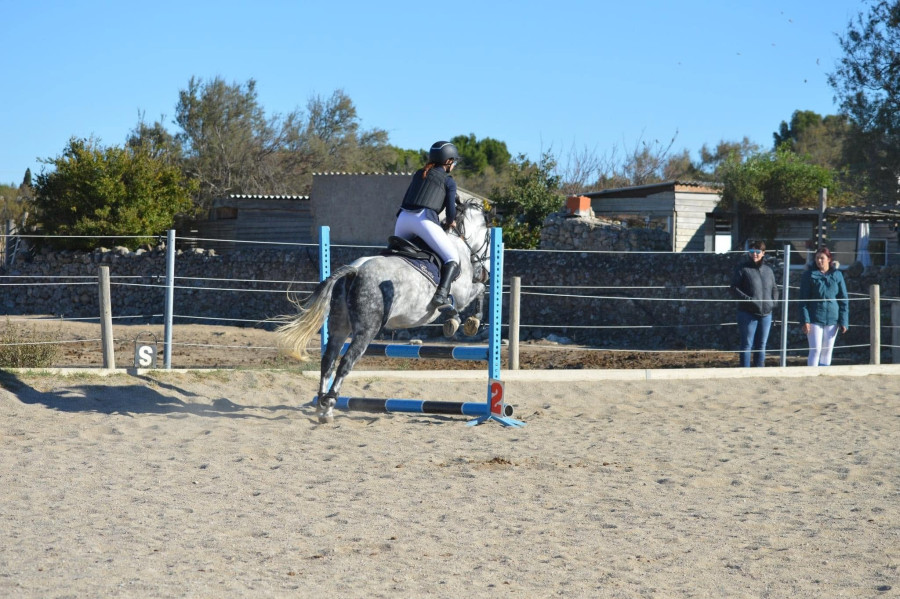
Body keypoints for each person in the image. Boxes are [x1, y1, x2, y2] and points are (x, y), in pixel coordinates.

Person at [395, 140, 461, 309]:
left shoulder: (419, 174)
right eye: (453, 161)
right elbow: (451, 210)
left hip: (402, 219)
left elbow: (406, 198)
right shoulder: (448, 181)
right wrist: (451, 222)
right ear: (447, 161)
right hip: (422, 219)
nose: (454, 164)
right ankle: (441, 295)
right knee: (453, 258)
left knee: (394, 253)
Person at [730, 240, 779, 367]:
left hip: (766, 313)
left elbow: (774, 288)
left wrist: (773, 302)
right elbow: (734, 288)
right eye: (751, 251)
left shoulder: (768, 270)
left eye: (757, 251)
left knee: (761, 345)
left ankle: (759, 371)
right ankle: (744, 371)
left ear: (763, 253)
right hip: (747, 313)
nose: (754, 254)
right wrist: (748, 300)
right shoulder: (743, 269)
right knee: (747, 344)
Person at [798, 246, 849, 366]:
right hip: (814, 317)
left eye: (822, 258)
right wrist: (805, 320)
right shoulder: (808, 275)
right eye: (817, 258)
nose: (819, 261)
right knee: (815, 350)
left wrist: (844, 321)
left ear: (829, 259)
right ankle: (812, 375)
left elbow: (843, 299)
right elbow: (803, 300)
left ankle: (823, 375)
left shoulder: (837, 275)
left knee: (827, 351)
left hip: (832, 318)